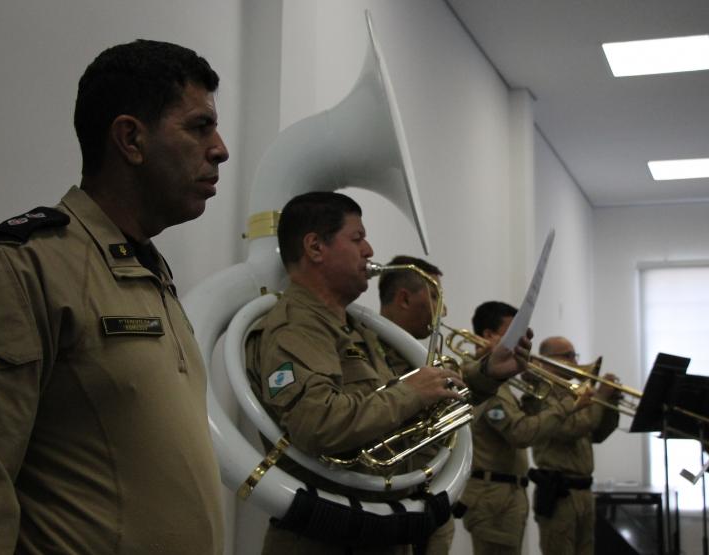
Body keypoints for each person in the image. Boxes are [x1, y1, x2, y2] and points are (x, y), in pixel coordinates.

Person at [0, 39, 230, 554]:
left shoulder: (148, 269)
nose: (220, 147)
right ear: (131, 139)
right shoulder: (19, 267)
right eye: (199, 126)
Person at [244, 192, 532, 555]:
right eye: (357, 238)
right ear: (315, 247)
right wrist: (410, 392)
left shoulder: (358, 328)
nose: (369, 250)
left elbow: (420, 412)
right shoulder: (295, 326)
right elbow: (315, 422)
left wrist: (488, 373)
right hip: (326, 538)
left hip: (377, 526)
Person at [457, 302, 581, 555]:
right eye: (513, 333)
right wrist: (570, 402)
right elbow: (521, 433)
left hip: (508, 494)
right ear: (490, 336)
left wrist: (533, 394)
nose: (522, 342)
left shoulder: (501, 383)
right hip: (493, 498)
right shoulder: (480, 382)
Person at [378, 254, 455, 555]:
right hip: (390, 510)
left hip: (432, 504)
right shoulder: (366, 352)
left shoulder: (422, 360)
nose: (444, 310)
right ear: (404, 299)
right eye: (435, 296)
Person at [528, 336, 621, 555]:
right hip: (559, 492)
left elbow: (596, 433)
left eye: (574, 355)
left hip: (584, 491)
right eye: (567, 356)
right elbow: (570, 429)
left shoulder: (576, 392)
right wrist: (600, 396)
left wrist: (610, 404)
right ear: (547, 361)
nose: (575, 361)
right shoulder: (540, 394)